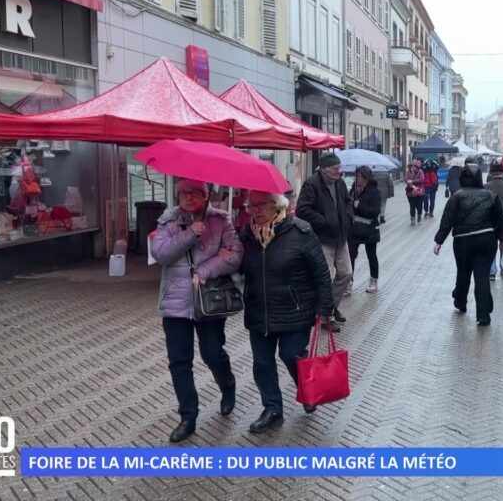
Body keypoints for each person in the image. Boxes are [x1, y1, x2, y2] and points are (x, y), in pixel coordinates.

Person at [150, 178, 243, 443]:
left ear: (205, 194)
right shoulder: (168, 221)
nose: (189, 197)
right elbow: (161, 254)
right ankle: (188, 416)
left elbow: (236, 254)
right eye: (183, 193)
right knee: (180, 361)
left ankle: (228, 385)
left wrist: (205, 270)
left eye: (194, 192)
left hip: (210, 300)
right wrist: (190, 233)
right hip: (175, 303)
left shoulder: (221, 221)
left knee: (212, 352)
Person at [240, 191, 335, 433]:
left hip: (295, 309)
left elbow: (321, 272)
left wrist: (325, 306)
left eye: (262, 205)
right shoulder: (246, 235)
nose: (256, 210)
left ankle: (307, 391)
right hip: (259, 311)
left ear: (277, 205)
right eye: (252, 205)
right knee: (262, 363)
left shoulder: (300, 231)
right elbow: (238, 266)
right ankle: (272, 408)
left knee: (292, 354)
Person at [433, 164, 503, 326]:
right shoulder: (490, 195)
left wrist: (439, 241)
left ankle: (460, 301)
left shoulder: (457, 196)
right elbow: (502, 217)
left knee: (463, 272)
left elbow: (447, 220)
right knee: (482, 276)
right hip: (486, 239)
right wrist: (502, 238)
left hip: (463, 241)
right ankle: (483, 314)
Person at [296, 153, 352, 331]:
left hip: (341, 237)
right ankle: (326, 317)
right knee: (326, 277)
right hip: (323, 238)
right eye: (336, 169)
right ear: (326, 170)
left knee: (346, 274)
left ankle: (331, 306)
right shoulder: (312, 185)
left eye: (340, 168)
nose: (339, 172)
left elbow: (348, 202)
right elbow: (302, 210)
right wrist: (325, 221)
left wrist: (348, 217)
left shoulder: (340, 183)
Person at [348, 166, 381, 293]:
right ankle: (349, 281)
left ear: (365, 178)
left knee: (371, 255)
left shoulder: (374, 192)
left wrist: (359, 205)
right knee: (351, 254)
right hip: (355, 228)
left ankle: (374, 280)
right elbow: (349, 205)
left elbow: (375, 211)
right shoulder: (354, 190)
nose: (357, 179)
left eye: (358, 176)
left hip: (369, 229)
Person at [405, 160, 425, 225]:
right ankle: (412, 219)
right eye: (412, 166)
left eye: (415, 166)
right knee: (412, 206)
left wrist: (412, 181)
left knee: (419, 206)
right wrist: (413, 186)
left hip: (419, 192)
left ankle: (419, 215)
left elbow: (422, 180)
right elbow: (407, 180)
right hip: (410, 192)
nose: (413, 168)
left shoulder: (420, 171)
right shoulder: (408, 172)